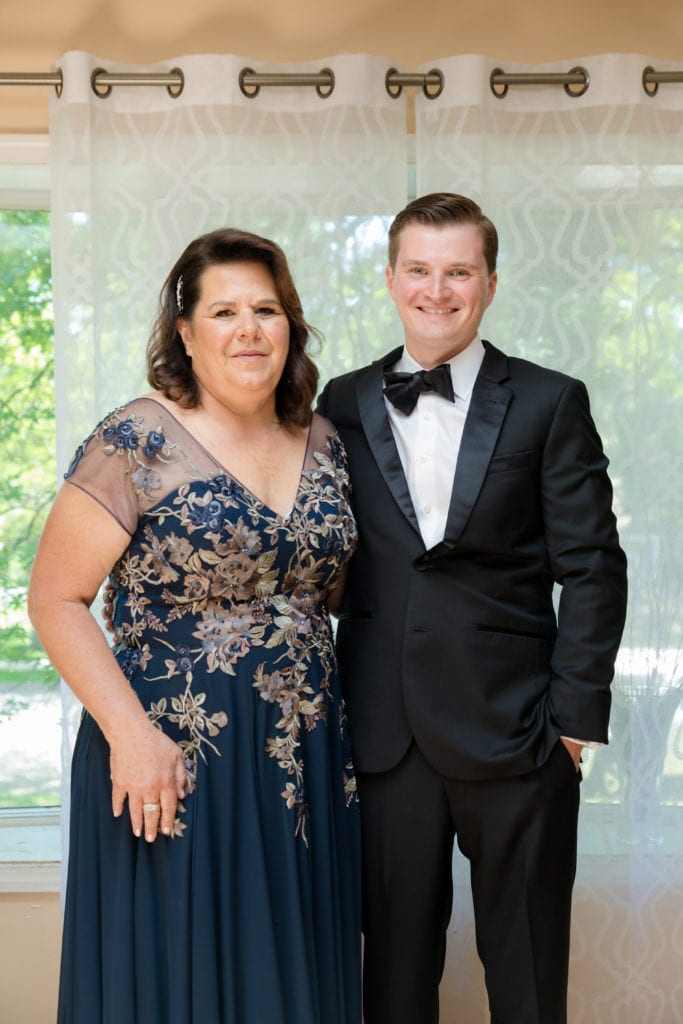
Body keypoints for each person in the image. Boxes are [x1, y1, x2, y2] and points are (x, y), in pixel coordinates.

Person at [28, 228, 361, 1024]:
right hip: (169, 755)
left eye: (266, 310)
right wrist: (132, 737)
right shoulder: (137, 438)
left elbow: (340, 594)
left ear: (291, 325)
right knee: (180, 983)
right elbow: (54, 599)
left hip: (305, 763)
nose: (248, 330)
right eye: (224, 311)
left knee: (294, 982)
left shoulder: (326, 442)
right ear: (185, 329)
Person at [317, 193, 628, 1024]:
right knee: (391, 980)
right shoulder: (337, 405)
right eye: (418, 269)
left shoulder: (549, 400)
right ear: (390, 279)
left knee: (527, 978)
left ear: (489, 282)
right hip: (382, 735)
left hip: (519, 728)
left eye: (458, 271)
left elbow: (593, 566)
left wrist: (572, 723)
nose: (437, 289)